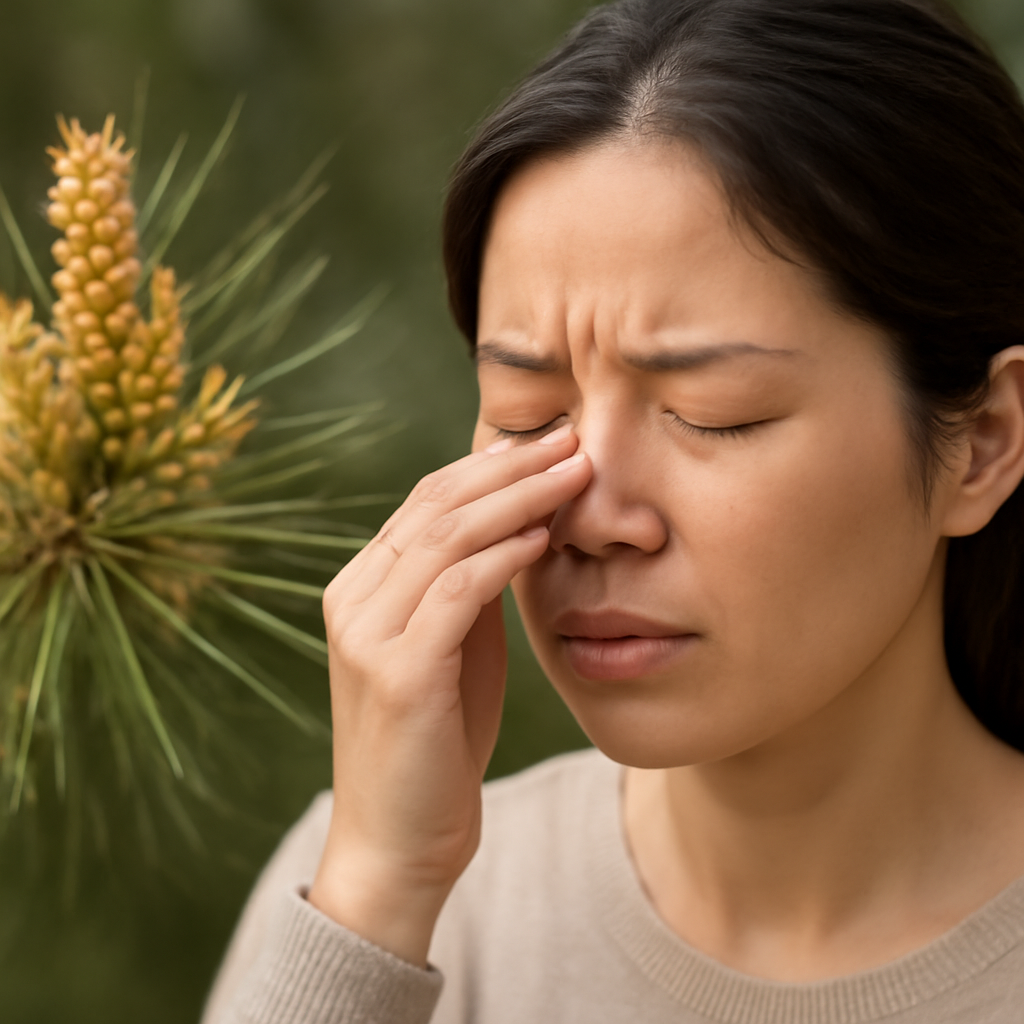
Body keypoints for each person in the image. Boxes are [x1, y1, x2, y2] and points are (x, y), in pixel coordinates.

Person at [202, 1, 1024, 1021]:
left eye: (709, 414)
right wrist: (378, 896)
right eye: (525, 411)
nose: (592, 516)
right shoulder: (389, 900)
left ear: (982, 440)